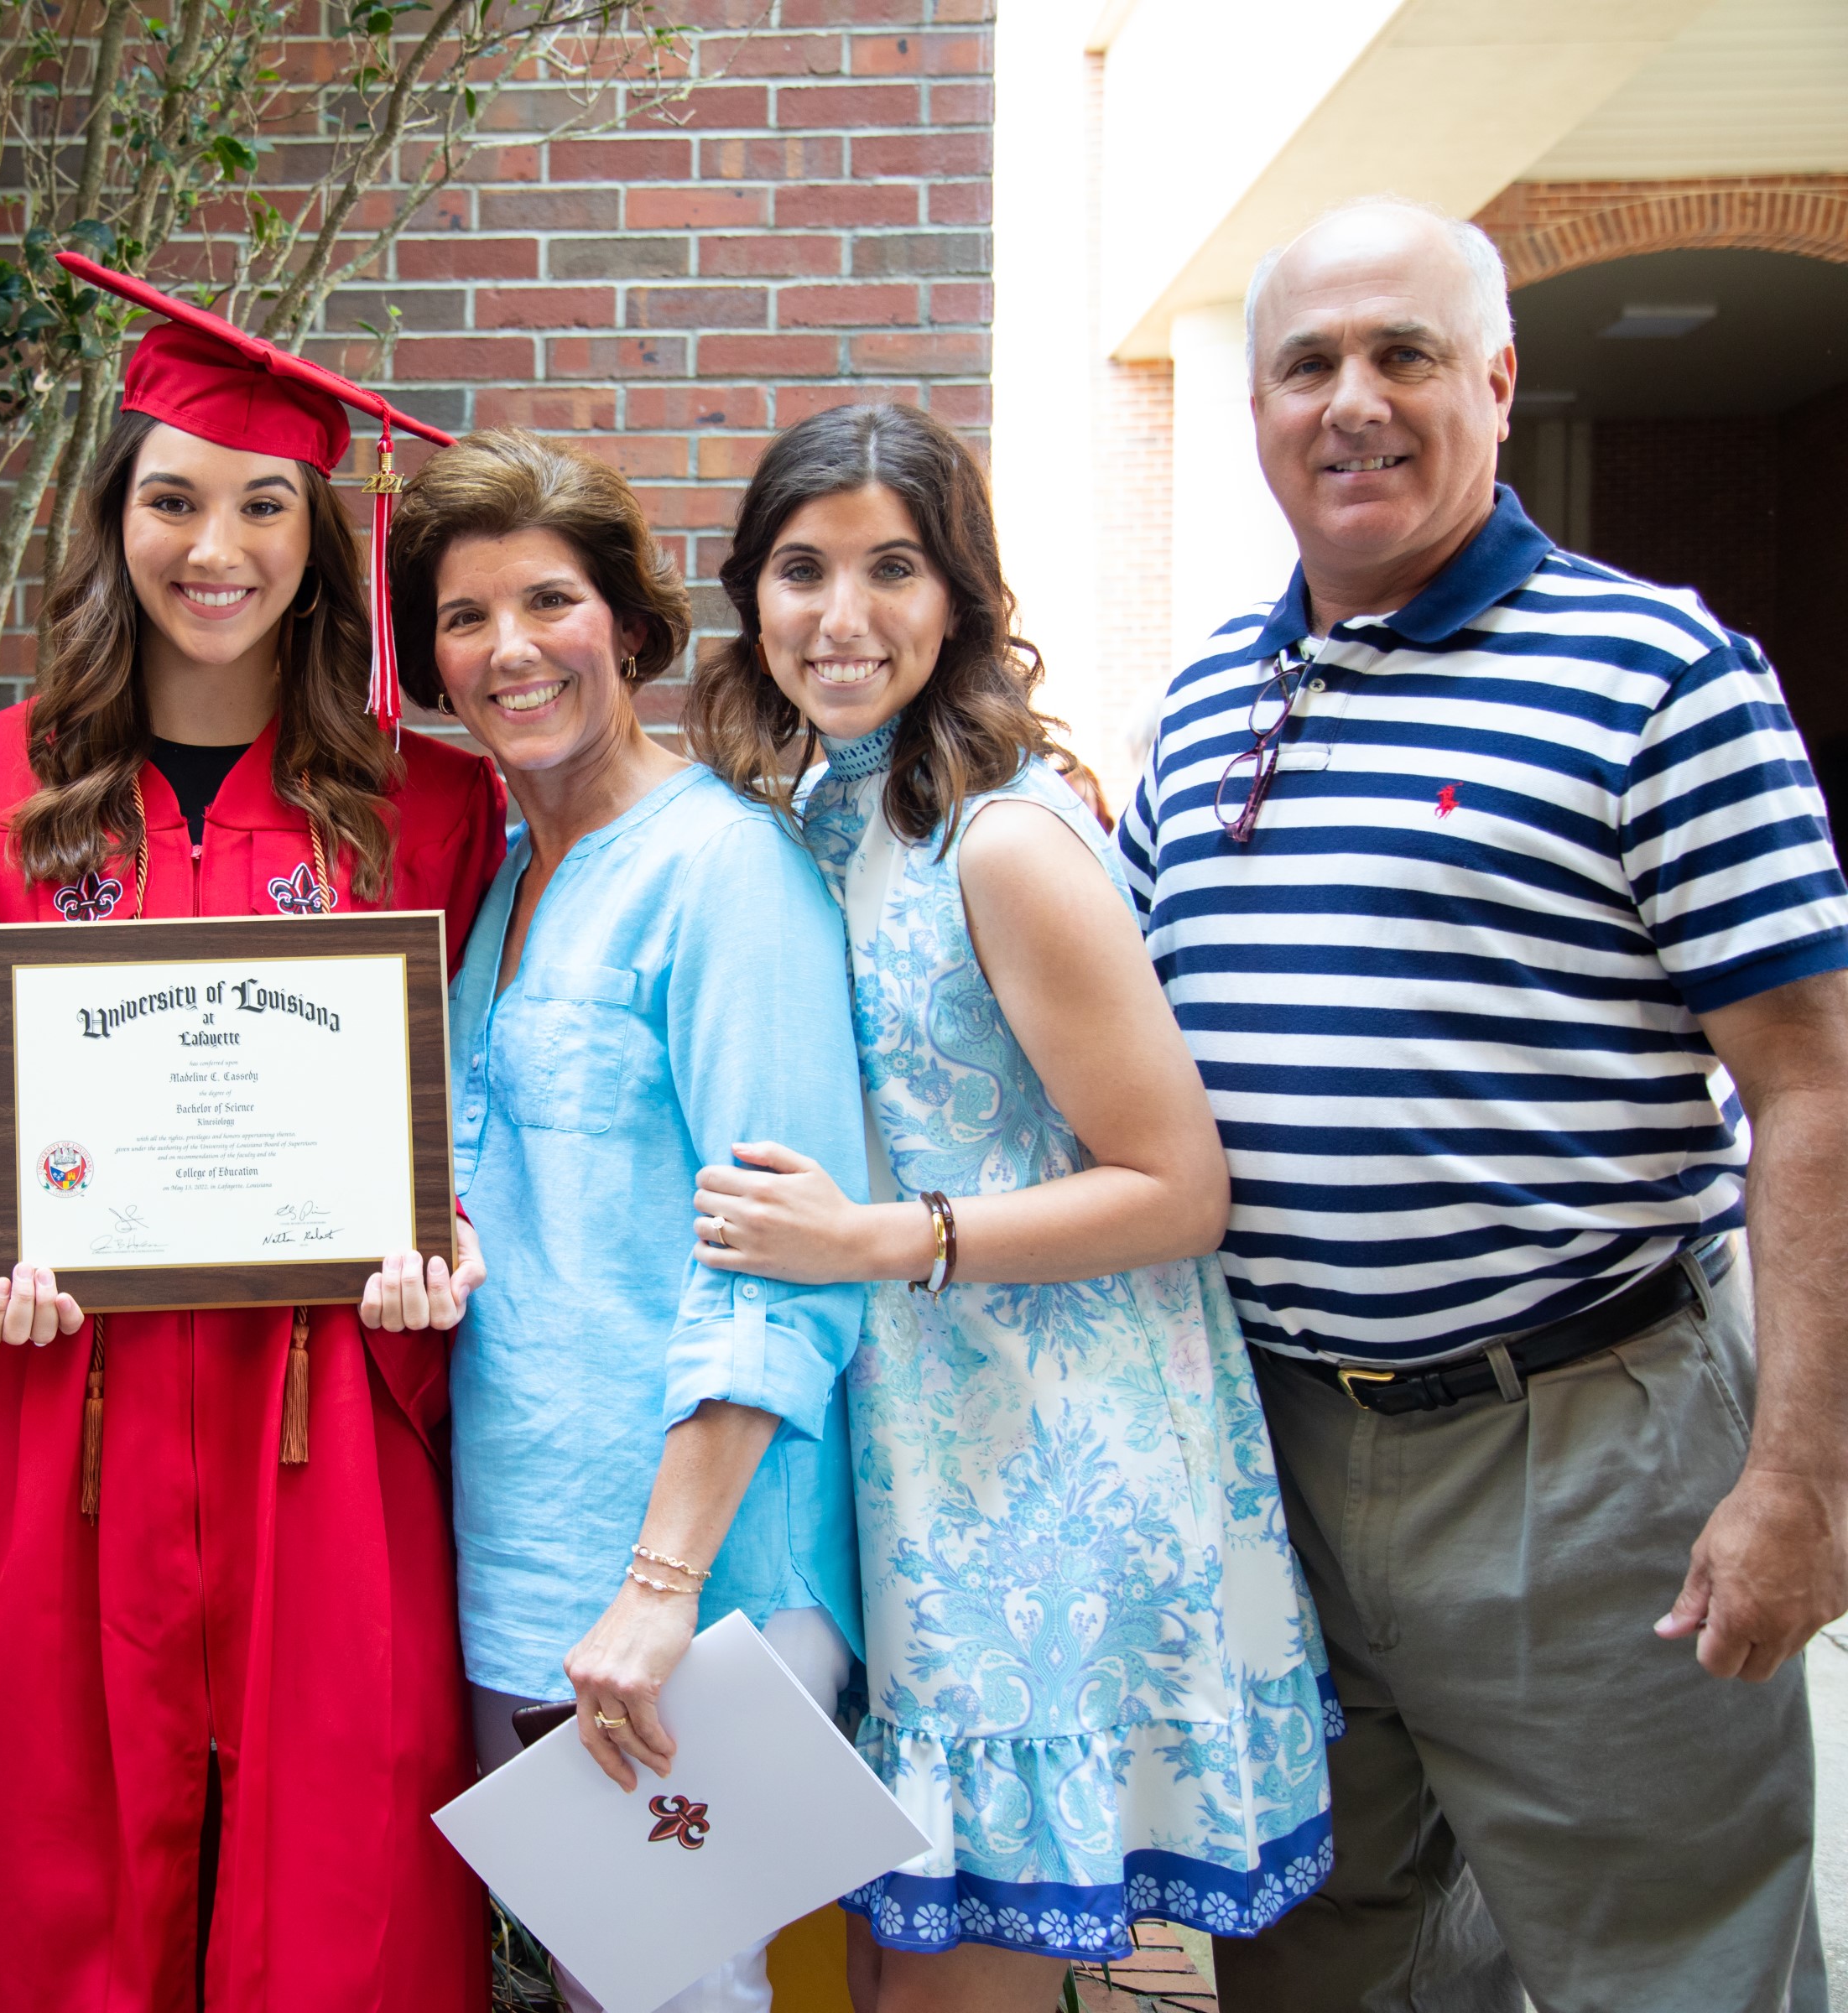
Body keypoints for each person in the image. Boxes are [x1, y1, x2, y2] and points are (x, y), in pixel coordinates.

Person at [1117, 195, 1848, 2013]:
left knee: (1667, 1961)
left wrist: (1805, 1480)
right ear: (1261, 410)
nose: (1352, 402)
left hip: (1579, 1451)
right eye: (1308, 365)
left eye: (1405, 356)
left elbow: (1814, 1093)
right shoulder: (1210, 700)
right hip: (1275, 1445)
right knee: (1315, 1954)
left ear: (1498, 385)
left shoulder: (1659, 678)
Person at [0, 268, 508, 2012]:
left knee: (345, 1879)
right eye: (171, 498)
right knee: (37, 1871)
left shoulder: (434, 807)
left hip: (334, 1408)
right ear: (109, 519)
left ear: (321, 539)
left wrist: (446, 1223)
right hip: (63, 1406)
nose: (213, 546)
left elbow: (491, 1093)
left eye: (263, 503)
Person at [688, 402, 1334, 2012]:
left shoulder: (1005, 836)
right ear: (748, 599)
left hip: (1051, 1469)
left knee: (949, 1981)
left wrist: (882, 1238)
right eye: (801, 570)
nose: (842, 617)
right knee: (879, 1947)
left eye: (892, 569)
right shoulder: (813, 815)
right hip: (909, 1455)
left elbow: (1180, 1187)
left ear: (962, 596)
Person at [388, 428, 873, 2013]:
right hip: (520, 1557)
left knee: (680, 1996)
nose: (509, 650)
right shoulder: (507, 883)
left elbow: (783, 1270)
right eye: (466, 617)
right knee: (615, 1987)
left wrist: (659, 1590)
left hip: (700, 1575)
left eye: (549, 602)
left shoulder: (727, 872)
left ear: (634, 626)